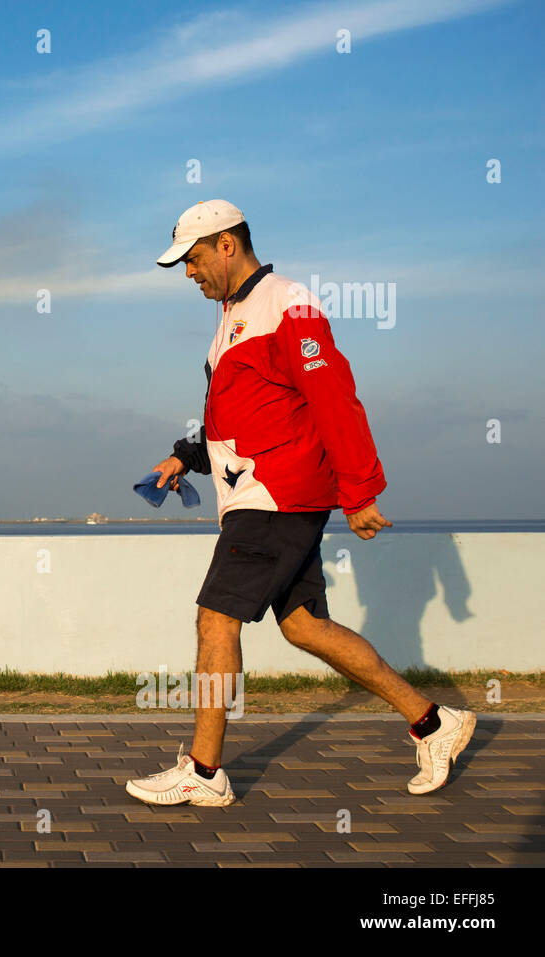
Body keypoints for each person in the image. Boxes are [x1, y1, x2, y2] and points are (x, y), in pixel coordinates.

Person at [125, 200, 475, 807]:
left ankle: (205, 773)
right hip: (259, 493)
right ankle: (434, 722)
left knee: (216, 618)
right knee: (305, 626)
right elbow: (241, 415)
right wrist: (187, 455)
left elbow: (334, 395)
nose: (188, 273)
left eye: (194, 258)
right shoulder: (234, 315)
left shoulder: (288, 304)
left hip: (276, 496)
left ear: (227, 244)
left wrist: (360, 491)